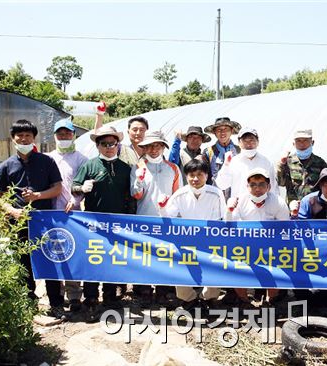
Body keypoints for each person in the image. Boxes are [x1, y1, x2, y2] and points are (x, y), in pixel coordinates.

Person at [0, 120, 62, 304]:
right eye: (20, 136)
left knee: (49, 259)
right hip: (19, 221)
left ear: (34, 139)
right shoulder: (5, 166)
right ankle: (28, 301)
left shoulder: (47, 161)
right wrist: (11, 210)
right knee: (23, 260)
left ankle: (56, 302)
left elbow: (57, 189)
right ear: (13, 139)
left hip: (45, 220)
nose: (24, 139)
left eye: (27, 136)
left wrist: (38, 195)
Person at [72, 125, 135, 322]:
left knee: (113, 259)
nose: (109, 147)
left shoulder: (126, 168)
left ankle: (110, 296)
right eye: (104, 144)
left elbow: (131, 196)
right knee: (94, 259)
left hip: (118, 222)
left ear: (118, 145)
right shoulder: (89, 166)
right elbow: (74, 187)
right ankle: (90, 299)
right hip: (93, 223)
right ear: (98, 146)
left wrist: (129, 218)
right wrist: (82, 187)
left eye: (112, 144)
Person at [158, 159, 226, 312]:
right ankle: (188, 299)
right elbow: (167, 218)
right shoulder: (180, 194)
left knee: (213, 267)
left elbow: (220, 218)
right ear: (186, 176)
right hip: (186, 239)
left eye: (200, 174)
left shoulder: (216, 193)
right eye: (191, 175)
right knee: (179, 266)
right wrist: (161, 207)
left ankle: (210, 298)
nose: (195, 179)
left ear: (207, 175)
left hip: (211, 238)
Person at [131, 131, 183, 302]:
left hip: (166, 219)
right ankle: (145, 289)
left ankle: (163, 290)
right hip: (145, 217)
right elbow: (136, 194)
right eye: (150, 146)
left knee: (164, 255)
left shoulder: (173, 168)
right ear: (144, 148)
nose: (154, 149)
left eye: (158, 145)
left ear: (163, 147)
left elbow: (178, 195)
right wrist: (139, 181)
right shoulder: (138, 167)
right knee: (146, 255)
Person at [225, 168, 290, 306]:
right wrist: (229, 211)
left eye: (261, 184)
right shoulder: (239, 201)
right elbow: (231, 227)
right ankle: (243, 300)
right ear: (247, 186)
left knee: (276, 267)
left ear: (269, 186)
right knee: (236, 266)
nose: (257, 188)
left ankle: (269, 300)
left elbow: (285, 227)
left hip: (271, 246)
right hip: (245, 244)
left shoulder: (278, 202)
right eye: (253, 184)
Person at [46, 118, 88, 314]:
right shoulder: (48, 158)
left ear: (74, 136)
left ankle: (73, 295)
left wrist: (76, 199)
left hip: (73, 214)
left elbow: (84, 184)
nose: (64, 137)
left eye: (67, 134)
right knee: (54, 253)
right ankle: (57, 295)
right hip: (51, 214)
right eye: (60, 134)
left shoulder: (81, 159)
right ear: (55, 136)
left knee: (73, 253)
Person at [216, 127, 278, 199]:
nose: (248, 144)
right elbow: (222, 185)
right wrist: (226, 165)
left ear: (258, 142)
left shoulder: (266, 162)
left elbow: (273, 189)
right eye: (245, 141)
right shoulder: (233, 162)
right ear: (239, 143)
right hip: (240, 207)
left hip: (262, 207)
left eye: (252, 140)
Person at [276, 129, 327, 209]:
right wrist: (281, 165)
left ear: (312, 142)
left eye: (305, 140)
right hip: (294, 208)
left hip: (314, 208)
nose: (302, 144)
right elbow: (281, 183)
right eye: (298, 141)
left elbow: (325, 186)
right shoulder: (288, 162)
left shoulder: (320, 163)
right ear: (294, 144)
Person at [93, 102, 148, 167]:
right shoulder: (121, 149)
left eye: (142, 130)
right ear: (128, 132)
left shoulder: (152, 151)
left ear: (147, 131)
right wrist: (99, 115)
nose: (138, 133)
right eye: (135, 130)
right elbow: (101, 135)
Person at [202, 117, 241, 186]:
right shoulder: (208, 152)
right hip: (215, 193)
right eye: (219, 130)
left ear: (231, 131)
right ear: (215, 133)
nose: (223, 132)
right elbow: (204, 176)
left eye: (226, 129)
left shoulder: (239, 150)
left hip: (235, 192)